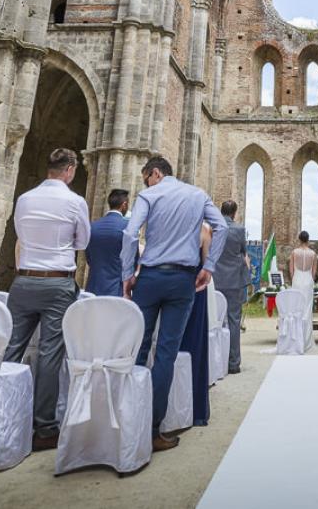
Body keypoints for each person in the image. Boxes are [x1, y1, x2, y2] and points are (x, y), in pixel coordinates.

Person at [122, 155, 227, 453]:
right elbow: (220, 227)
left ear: (155, 173)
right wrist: (209, 267)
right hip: (183, 280)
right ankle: (153, 430)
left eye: (146, 178)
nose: (146, 183)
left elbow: (130, 233)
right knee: (166, 353)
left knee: (137, 347)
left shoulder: (149, 195)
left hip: (151, 276)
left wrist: (127, 274)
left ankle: (129, 419)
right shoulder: (198, 195)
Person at [3, 148, 90, 451]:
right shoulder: (75, 201)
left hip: (23, 280)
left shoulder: (25, 199)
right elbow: (82, 241)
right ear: (69, 170)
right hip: (56, 282)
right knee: (50, 354)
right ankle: (44, 427)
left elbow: (20, 234)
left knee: (11, 347)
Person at [177, 224, 213, 427]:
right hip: (195, 288)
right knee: (193, 343)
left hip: (161, 284)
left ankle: (159, 414)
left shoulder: (167, 222)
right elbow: (207, 264)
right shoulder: (202, 229)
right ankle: (192, 408)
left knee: (165, 347)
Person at [212, 200, 251, 374]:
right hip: (234, 279)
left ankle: (215, 362)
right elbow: (243, 252)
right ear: (234, 213)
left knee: (215, 320)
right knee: (234, 321)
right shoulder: (239, 229)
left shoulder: (212, 228)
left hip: (215, 279)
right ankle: (233, 363)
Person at [84, 188, 129, 296]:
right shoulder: (127, 226)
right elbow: (132, 259)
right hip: (116, 288)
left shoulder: (92, 226)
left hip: (94, 285)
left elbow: (89, 256)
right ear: (124, 204)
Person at [289, 231, 318, 322]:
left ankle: (297, 332)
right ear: (308, 240)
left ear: (299, 239)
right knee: (307, 306)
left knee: (296, 305)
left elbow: (291, 270)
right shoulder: (313, 254)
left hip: (297, 279)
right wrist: (311, 279)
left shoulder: (294, 252)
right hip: (308, 279)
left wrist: (293, 278)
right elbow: (314, 272)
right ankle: (306, 334)